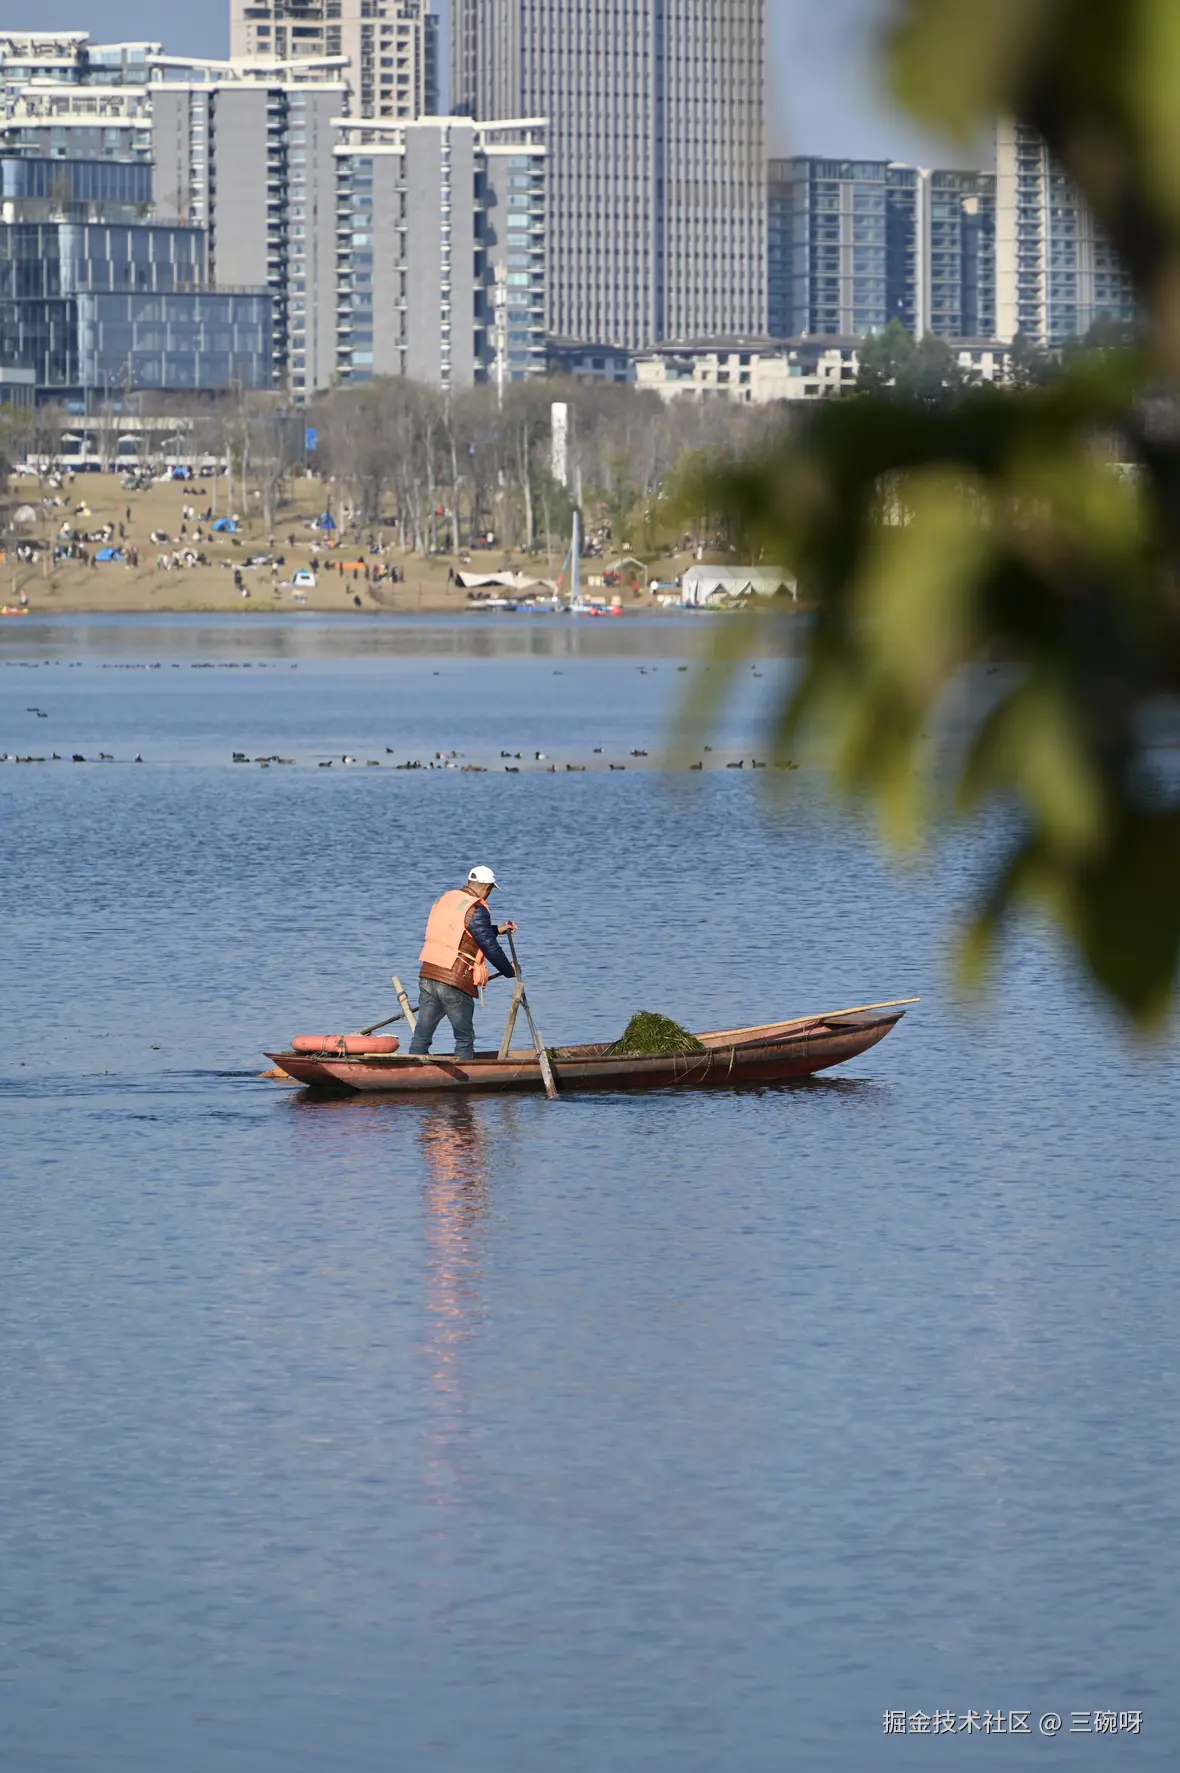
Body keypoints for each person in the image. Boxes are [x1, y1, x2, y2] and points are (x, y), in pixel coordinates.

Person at [410, 866, 517, 1062]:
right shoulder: (476, 909)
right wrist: (510, 970)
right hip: (454, 981)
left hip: (428, 974)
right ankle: (467, 1081)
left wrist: (498, 929)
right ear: (487, 888)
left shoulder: (447, 899)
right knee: (464, 1038)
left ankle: (413, 1073)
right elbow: (489, 947)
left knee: (422, 1035)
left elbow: (460, 932)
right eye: (491, 890)